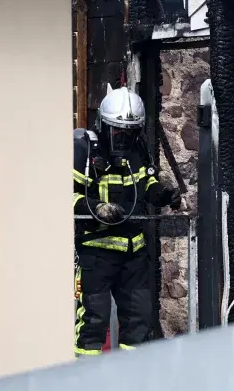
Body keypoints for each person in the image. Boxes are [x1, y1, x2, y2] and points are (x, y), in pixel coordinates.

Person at [72, 84, 182, 356]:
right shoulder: (84, 151)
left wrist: (163, 194)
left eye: (130, 132)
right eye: (118, 131)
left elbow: (146, 184)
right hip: (97, 253)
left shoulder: (137, 150)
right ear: (103, 125)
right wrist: (97, 207)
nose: (123, 138)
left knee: (139, 322)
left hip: (134, 253)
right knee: (93, 322)